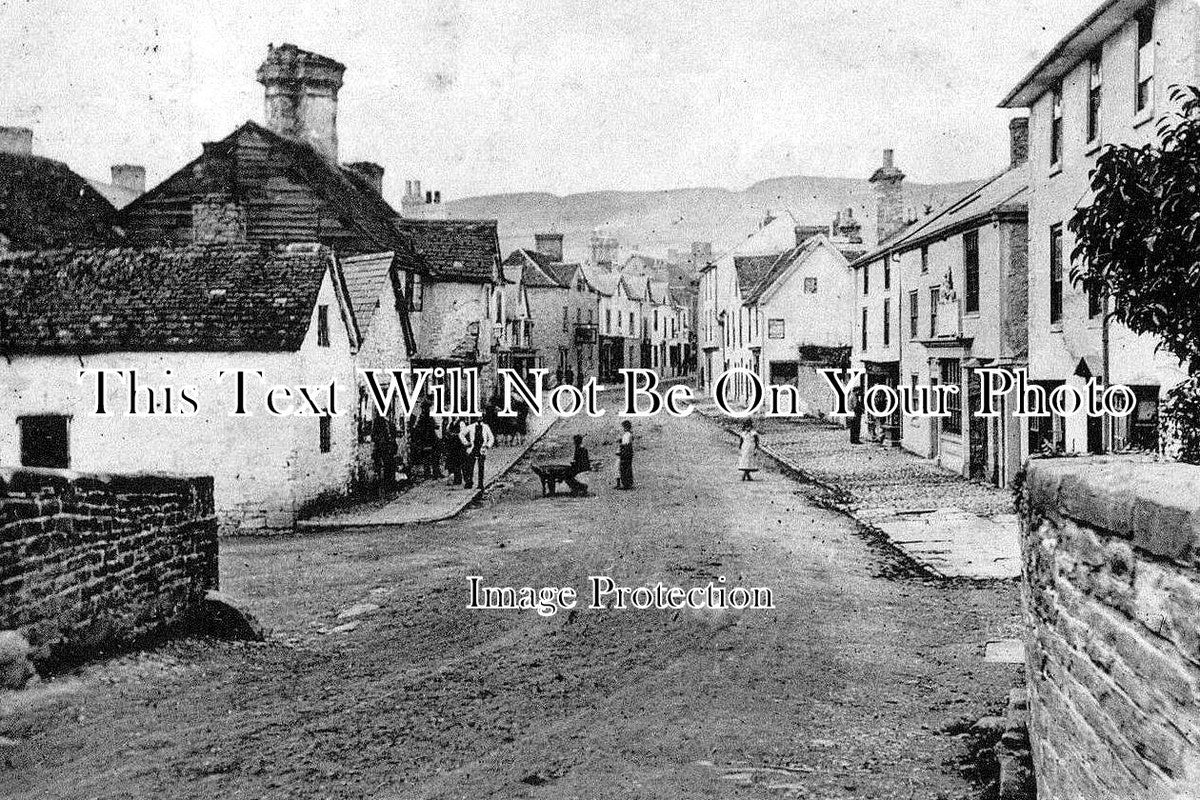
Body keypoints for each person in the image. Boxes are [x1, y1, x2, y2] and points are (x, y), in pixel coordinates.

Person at [459, 416, 495, 490]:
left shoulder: (486, 427)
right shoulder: (471, 426)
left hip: (482, 448)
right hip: (473, 448)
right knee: (470, 466)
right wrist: (466, 443)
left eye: (480, 417)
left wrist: (488, 445)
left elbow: (491, 437)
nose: (479, 418)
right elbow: (461, 434)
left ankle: (480, 484)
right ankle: (469, 482)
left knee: (481, 466)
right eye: (478, 417)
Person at [442, 417, 466, 486]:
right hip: (452, 446)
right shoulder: (450, 424)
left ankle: (460, 479)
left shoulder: (461, 423)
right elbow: (447, 432)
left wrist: (455, 435)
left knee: (459, 463)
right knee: (453, 463)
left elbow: (463, 433)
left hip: (459, 446)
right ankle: (454, 479)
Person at [615, 420, 634, 490]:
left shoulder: (627, 435)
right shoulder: (628, 434)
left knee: (624, 468)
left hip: (626, 453)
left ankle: (626, 484)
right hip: (628, 453)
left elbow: (626, 445)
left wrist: (621, 453)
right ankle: (627, 484)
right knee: (627, 468)